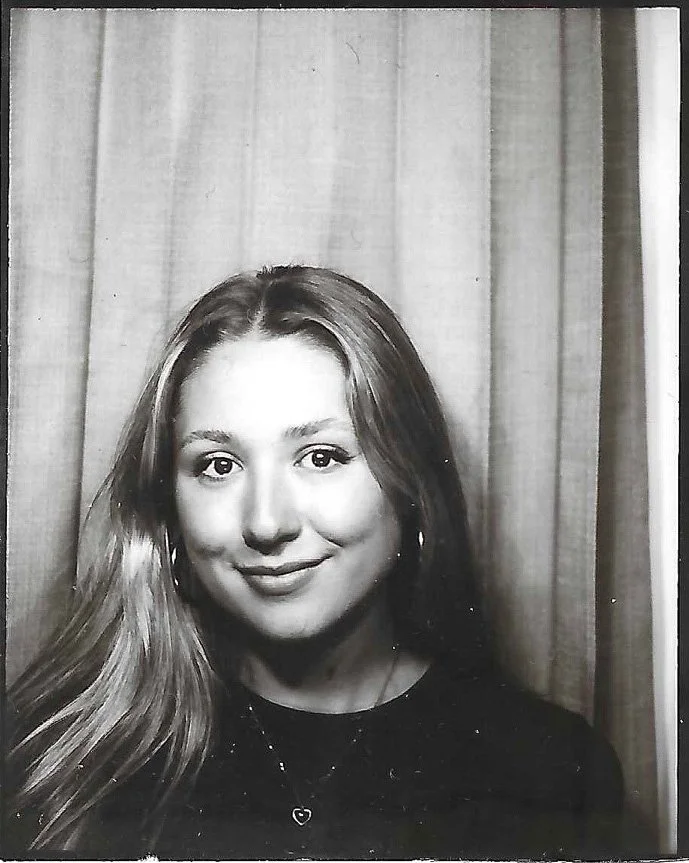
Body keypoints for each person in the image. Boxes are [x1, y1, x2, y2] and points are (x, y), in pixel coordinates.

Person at [6, 266, 628, 859]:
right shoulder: (51, 758)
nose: (267, 523)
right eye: (219, 465)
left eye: (322, 456)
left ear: (409, 483)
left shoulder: (554, 772)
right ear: (168, 506)